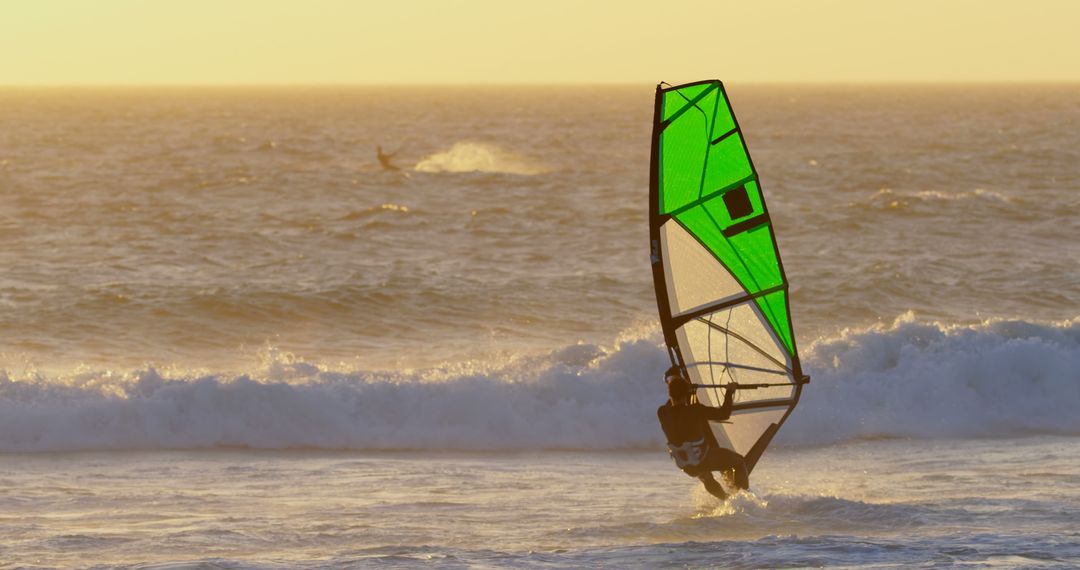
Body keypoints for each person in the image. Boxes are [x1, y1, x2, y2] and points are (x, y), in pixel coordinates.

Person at [657, 365, 750, 500]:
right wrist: (729, 392)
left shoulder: (662, 412)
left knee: (706, 477)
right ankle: (743, 500)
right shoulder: (696, 410)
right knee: (739, 462)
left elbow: (675, 405)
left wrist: (684, 389)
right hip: (704, 459)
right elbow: (724, 414)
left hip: (685, 463)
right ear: (686, 394)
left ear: (669, 393)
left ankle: (726, 500)